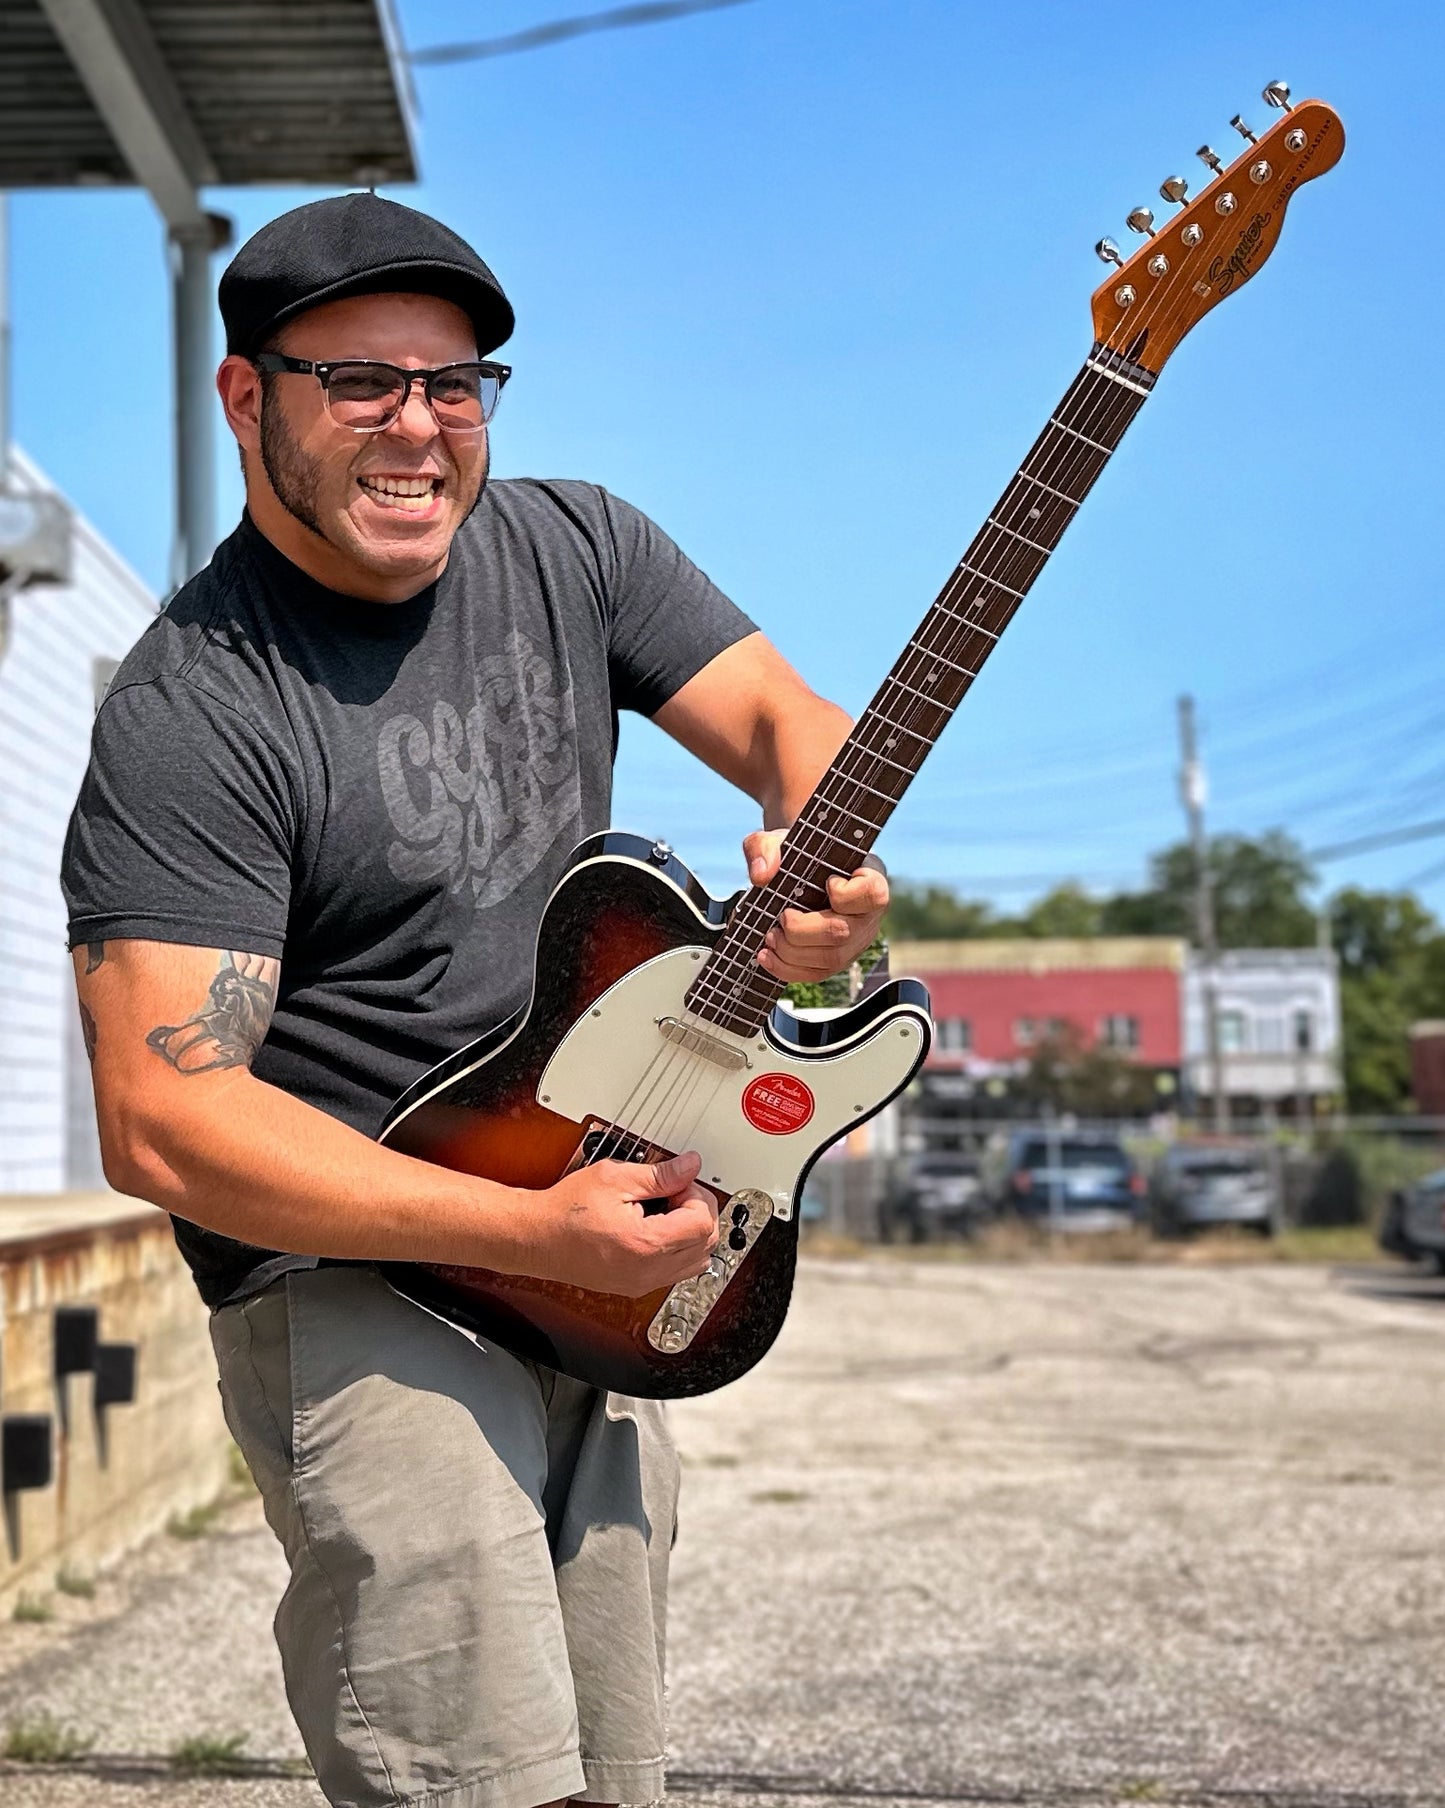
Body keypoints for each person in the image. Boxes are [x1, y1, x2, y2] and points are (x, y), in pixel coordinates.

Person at [62, 193, 887, 1808]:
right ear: (249, 400)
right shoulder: (196, 708)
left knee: (608, 1773)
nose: (419, 428)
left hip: (600, 1241)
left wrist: (834, 884)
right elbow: (165, 1120)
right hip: (365, 1278)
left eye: (457, 386)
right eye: (359, 382)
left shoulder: (575, 547)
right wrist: (528, 1236)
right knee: (470, 1775)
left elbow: (800, 725)